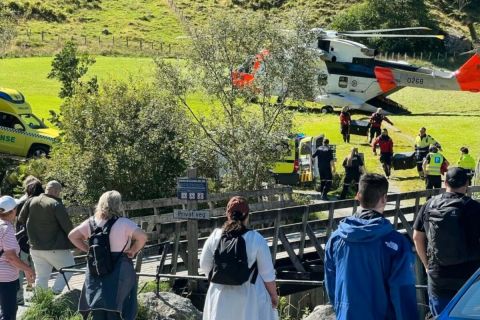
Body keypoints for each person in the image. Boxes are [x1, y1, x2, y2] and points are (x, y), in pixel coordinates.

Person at [324, 174, 418, 320]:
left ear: (358, 196)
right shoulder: (397, 244)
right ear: (384, 199)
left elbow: (331, 285)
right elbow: (402, 292)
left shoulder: (335, 239)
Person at [69, 190, 147, 320]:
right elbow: (143, 237)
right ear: (118, 205)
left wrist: (88, 249)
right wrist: (133, 250)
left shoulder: (90, 222)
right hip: (120, 265)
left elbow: (72, 236)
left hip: (97, 266)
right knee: (117, 304)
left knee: (97, 303)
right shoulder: (124, 223)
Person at [413, 167, 480, 316]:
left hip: (438, 276)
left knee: (441, 315)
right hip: (468, 278)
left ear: (445, 183)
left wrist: (426, 265)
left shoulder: (428, 205)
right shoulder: (474, 208)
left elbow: (417, 237)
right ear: (467, 184)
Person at [200, 196, 278, 320]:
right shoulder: (256, 238)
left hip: (219, 294)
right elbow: (267, 273)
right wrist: (274, 295)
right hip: (248, 296)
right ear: (247, 216)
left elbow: (204, 265)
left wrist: (221, 277)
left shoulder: (215, 236)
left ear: (227, 214)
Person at [18, 180, 75, 294]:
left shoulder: (31, 200)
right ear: (56, 191)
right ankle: (55, 293)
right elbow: (68, 227)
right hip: (54, 247)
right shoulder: (56, 204)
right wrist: (77, 242)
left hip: (34, 247)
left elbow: (20, 219)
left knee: (42, 276)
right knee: (69, 268)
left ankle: (41, 300)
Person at [0, 196, 35, 320]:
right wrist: (28, 269)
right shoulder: (6, 228)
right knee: (8, 313)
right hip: (5, 279)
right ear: (13, 210)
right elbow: (11, 257)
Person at [15, 180, 44, 305]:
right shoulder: (44, 202)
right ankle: (33, 294)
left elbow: (19, 221)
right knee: (38, 271)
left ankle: (21, 297)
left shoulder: (22, 203)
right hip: (40, 242)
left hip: (23, 240)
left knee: (23, 270)